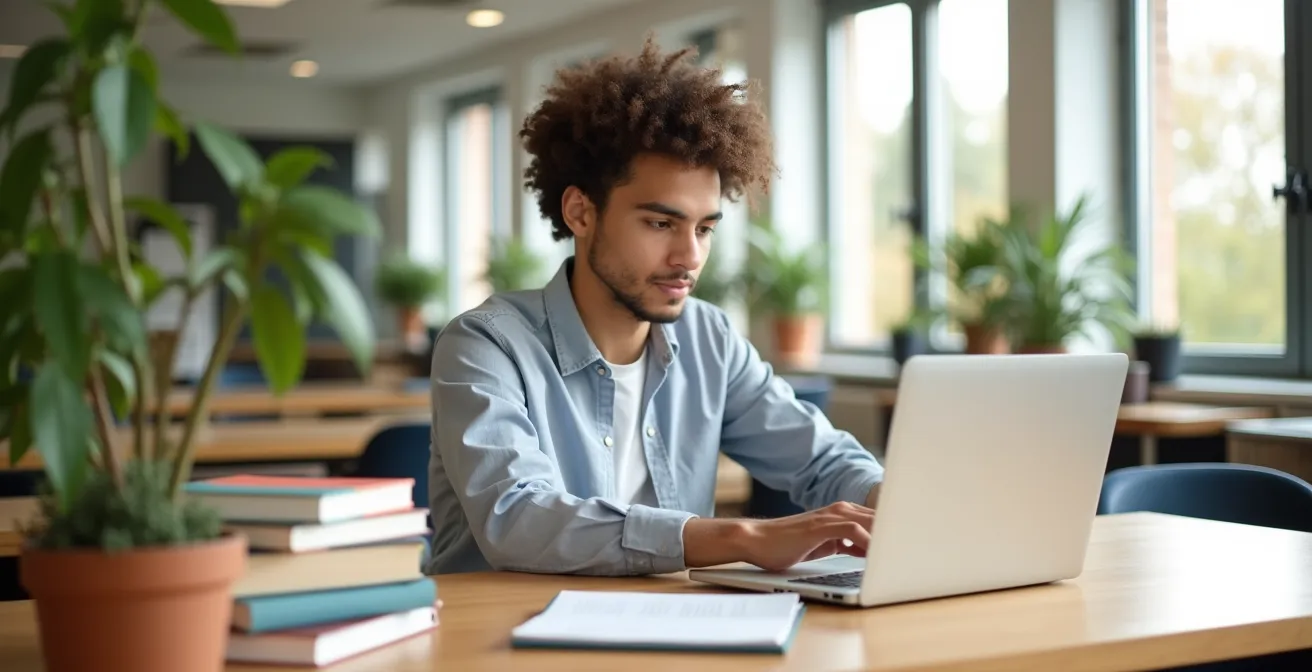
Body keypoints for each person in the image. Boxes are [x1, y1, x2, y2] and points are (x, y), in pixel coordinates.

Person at [425, 36, 885, 576]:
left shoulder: (708, 338)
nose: (689, 256)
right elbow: (517, 517)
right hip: (504, 641)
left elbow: (823, 459)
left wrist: (892, 505)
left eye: (705, 228)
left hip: (672, 633)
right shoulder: (485, 344)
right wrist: (740, 536)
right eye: (660, 223)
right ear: (580, 212)